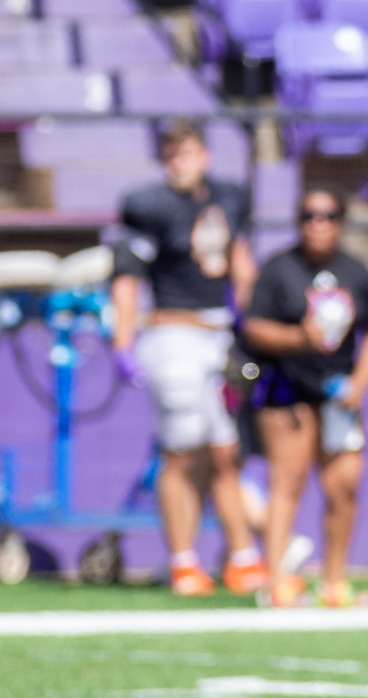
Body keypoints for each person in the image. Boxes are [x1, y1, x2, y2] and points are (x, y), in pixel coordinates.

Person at [110, 121, 264, 597]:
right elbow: (127, 277)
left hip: (219, 334)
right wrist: (122, 339)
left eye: (188, 153)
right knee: (181, 451)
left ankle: (241, 557)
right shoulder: (148, 206)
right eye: (172, 155)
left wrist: (251, 325)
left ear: (206, 155)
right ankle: (183, 561)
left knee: (224, 450)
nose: (181, 163)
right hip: (172, 331)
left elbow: (241, 264)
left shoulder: (229, 197)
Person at [240, 188, 368, 608]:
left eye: (326, 215)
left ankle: (334, 581)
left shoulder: (357, 272)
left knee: (343, 485)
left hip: (339, 393)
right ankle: (276, 581)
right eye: (308, 216)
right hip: (287, 388)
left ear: (340, 221)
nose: (317, 224)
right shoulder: (279, 269)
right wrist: (296, 338)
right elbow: (253, 327)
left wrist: (361, 382)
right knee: (287, 482)